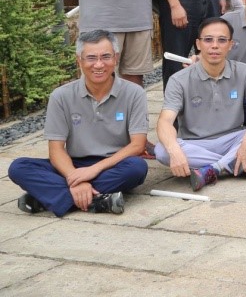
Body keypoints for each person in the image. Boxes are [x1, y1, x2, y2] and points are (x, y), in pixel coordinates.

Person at [11, 30, 147, 216]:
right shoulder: (61, 96)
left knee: (137, 168)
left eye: (105, 57)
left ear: (116, 58)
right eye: (91, 58)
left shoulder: (134, 93)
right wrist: (76, 178)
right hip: (72, 164)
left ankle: (50, 198)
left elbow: (138, 145)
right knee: (18, 167)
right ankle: (97, 201)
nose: (98, 64)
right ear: (79, 60)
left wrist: (93, 171)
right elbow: (56, 150)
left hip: (113, 164)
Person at [155, 18, 246, 191]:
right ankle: (238, 163)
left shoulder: (244, 70)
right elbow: (165, 121)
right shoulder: (179, 80)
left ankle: (214, 169)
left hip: (234, 139)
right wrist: (173, 149)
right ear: (198, 44)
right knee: (162, 151)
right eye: (208, 40)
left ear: (231, 45)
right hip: (196, 144)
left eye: (222, 40)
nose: (214, 46)